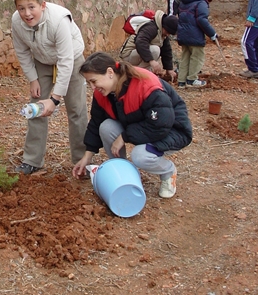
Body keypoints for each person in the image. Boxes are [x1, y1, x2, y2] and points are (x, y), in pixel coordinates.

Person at [72, 52, 192, 199]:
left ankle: (168, 172)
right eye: (89, 83)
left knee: (140, 156)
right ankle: (124, 174)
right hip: (141, 125)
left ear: (110, 72)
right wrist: (87, 156)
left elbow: (161, 123)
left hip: (172, 128)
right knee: (106, 127)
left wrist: (124, 136)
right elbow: (96, 123)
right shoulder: (104, 93)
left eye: (94, 81)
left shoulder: (145, 85)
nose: (92, 87)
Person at [11, 0, 88, 174]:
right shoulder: (16, 22)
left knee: (77, 110)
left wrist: (55, 98)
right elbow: (21, 52)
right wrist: (33, 79)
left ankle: (82, 160)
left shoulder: (58, 20)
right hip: (42, 60)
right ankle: (32, 160)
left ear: (42, 5)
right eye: (21, 8)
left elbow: (66, 60)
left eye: (31, 7)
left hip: (72, 59)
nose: (27, 13)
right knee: (36, 109)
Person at [177, 0, 217, 88]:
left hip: (183, 34)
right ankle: (192, 80)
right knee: (197, 57)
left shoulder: (184, 1)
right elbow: (202, 20)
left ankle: (181, 81)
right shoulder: (201, 3)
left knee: (185, 57)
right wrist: (212, 34)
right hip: (195, 36)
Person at [119, 10, 178, 80]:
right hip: (128, 55)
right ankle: (137, 76)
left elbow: (166, 51)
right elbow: (140, 42)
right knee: (155, 50)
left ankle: (140, 74)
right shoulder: (151, 27)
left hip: (137, 55)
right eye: (168, 32)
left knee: (155, 51)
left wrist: (169, 69)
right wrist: (151, 61)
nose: (168, 34)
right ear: (164, 26)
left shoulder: (162, 34)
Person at [240, 0, 258, 78]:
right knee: (255, 43)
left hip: (255, 19)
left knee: (245, 42)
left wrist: (252, 17)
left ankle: (253, 68)